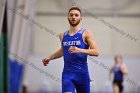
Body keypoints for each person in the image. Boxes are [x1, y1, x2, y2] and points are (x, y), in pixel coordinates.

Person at [42, 7, 99, 93]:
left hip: (82, 74)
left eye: (76, 15)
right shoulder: (62, 35)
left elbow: (96, 52)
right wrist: (49, 58)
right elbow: (62, 51)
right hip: (67, 74)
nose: (74, 17)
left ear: (81, 18)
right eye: (71, 15)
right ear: (68, 17)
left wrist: (79, 50)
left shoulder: (86, 33)